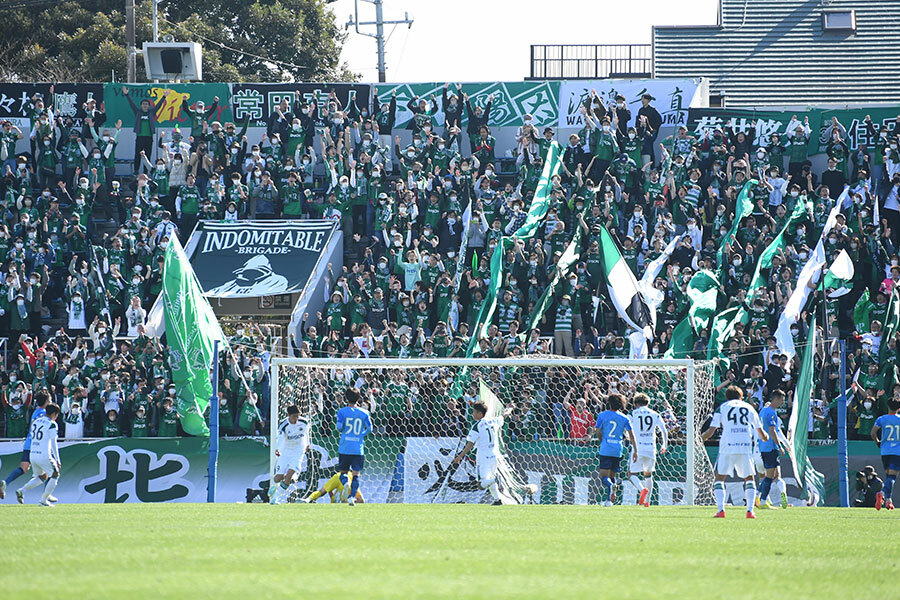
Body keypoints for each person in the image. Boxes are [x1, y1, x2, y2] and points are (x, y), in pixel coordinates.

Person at [701, 386, 769, 518]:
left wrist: (700, 438)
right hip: (744, 446)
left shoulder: (722, 407)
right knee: (749, 478)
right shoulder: (749, 408)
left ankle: (721, 510)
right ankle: (750, 511)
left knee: (719, 478)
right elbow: (761, 433)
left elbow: (711, 431)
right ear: (741, 396)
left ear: (727, 397)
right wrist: (766, 437)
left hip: (728, 447)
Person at [451, 400, 512, 505]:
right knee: (490, 479)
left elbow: (469, 444)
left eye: (474, 412)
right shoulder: (493, 420)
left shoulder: (476, 426)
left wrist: (459, 456)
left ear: (480, 413)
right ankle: (498, 500)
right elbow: (504, 415)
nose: (473, 414)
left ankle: (497, 479)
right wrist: (510, 408)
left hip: (483, 457)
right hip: (494, 455)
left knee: (481, 484)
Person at [0, 389, 51, 500]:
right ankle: (46, 496)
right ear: (47, 401)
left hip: (28, 443)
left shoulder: (35, 412)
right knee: (50, 471)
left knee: (24, 469)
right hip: (37, 445)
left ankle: (7, 483)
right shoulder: (44, 414)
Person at [592, 393, 637, 507]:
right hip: (618, 449)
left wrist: (601, 439)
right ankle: (608, 501)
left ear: (609, 403)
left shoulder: (602, 415)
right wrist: (636, 450)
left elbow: (597, 430)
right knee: (612, 476)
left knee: (603, 477)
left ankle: (611, 488)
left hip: (606, 448)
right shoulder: (624, 417)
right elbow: (631, 435)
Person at [15, 403, 61, 506]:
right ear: (54, 413)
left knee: (42, 476)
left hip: (33, 454)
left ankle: (22, 490)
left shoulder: (36, 421)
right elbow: (54, 443)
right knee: (55, 474)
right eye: (57, 415)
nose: (56, 417)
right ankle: (44, 500)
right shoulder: (52, 424)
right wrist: (57, 460)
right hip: (44, 455)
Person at [627, 392, 668, 507]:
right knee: (648, 474)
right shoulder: (655, 414)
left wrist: (627, 436)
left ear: (635, 404)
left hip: (637, 447)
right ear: (648, 404)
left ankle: (642, 490)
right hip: (651, 448)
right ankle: (647, 502)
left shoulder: (632, 413)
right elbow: (664, 429)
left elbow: (627, 427)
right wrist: (664, 444)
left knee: (631, 474)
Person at [335, 387, 372, 506]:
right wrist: (361, 435)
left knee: (343, 472)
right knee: (356, 475)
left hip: (345, 446)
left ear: (346, 398)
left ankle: (345, 482)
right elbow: (370, 428)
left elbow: (339, 428)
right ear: (359, 398)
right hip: (358, 448)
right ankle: (352, 498)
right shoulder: (364, 412)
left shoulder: (342, 412)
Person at [755, 389, 790, 510]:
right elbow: (772, 430)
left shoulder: (762, 411)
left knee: (769, 476)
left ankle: (758, 496)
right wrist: (779, 446)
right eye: (782, 400)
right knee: (770, 477)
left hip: (762, 447)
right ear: (775, 399)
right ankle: (763, 500)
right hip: (770, 447)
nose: (782, 403)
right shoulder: (771, 412)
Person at [269, 404, 311, 505]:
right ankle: (275, 486)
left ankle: (276, 498)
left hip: (298, 451)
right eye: (294, 416)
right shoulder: (283, 425)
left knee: (289, 475)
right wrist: (278, 449)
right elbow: (280, 438)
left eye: (297, 415)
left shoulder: (304, 422)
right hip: (286, 451)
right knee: (277, 478)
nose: (296, 418)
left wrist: (307, 444)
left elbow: (307, 434)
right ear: (288, 415)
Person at [871, 398, 900, 511]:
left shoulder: (881, 419)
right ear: (898, 408)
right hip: (897, 452)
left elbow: (873, 433)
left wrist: (877, 441)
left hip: (885, 451)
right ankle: (882, 493)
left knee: (889, 477)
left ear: (888, 406)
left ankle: (888, 501)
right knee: (892, 477)